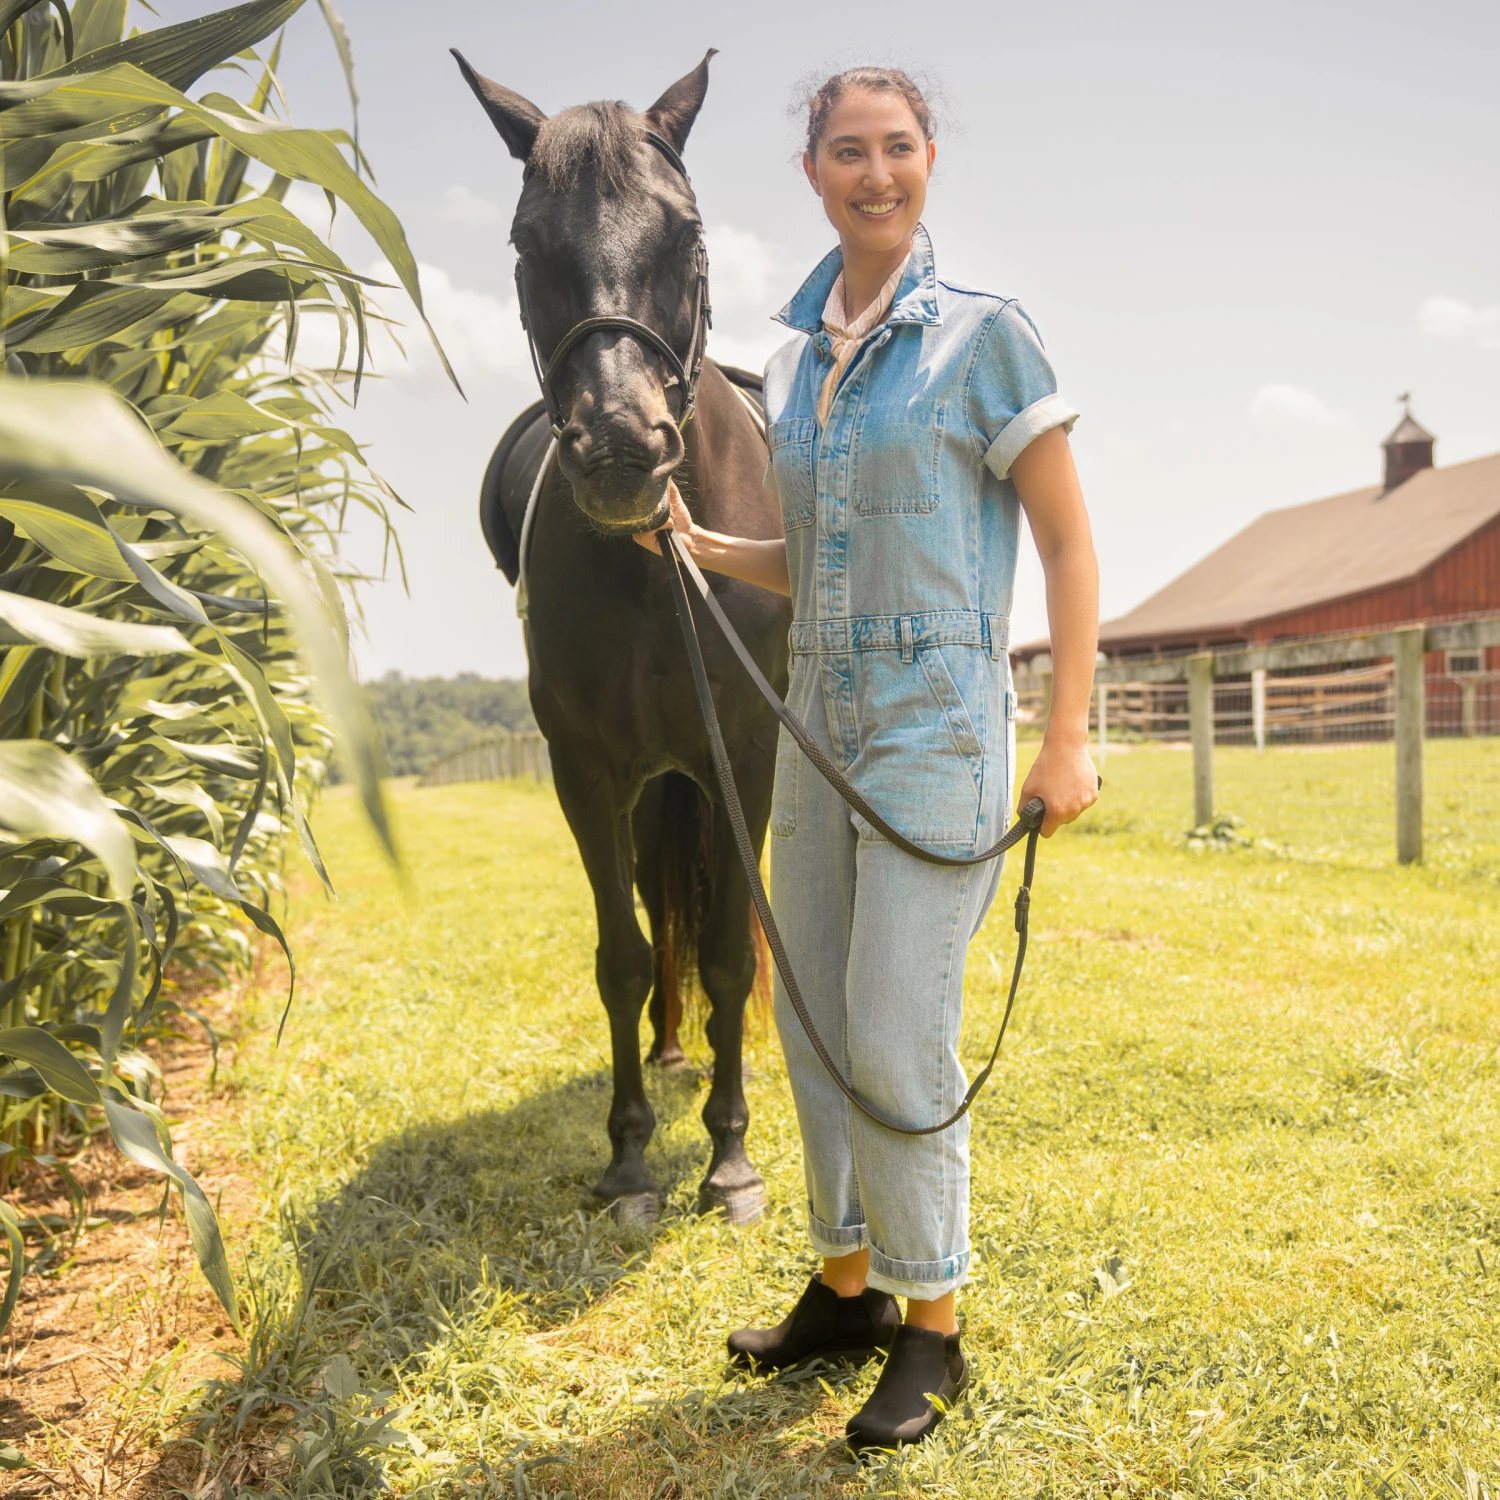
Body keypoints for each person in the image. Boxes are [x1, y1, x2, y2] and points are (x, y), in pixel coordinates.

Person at [636, 65, 1099, 1452]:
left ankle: (933, 1326)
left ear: (931, 160)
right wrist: (714, 548)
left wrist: (1069, 735)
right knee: (813, 1022)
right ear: (814, 174)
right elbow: (823, 558)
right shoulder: (786, 358)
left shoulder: (986, 338)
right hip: (817, 720)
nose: (875, 172)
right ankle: (847, 1287)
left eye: (898, 148)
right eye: (850, 150)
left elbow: (1069, 545)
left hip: (936, 727)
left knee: (895, 1029)